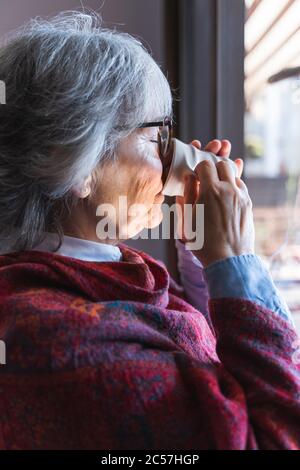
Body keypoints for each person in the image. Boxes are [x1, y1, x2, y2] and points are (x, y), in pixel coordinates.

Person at [0, 11, 299, 450]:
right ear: (78, 164)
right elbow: (277, 435)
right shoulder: (56, 342)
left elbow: (201, 355)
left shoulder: (94, 277)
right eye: (157, 136)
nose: (171, 156)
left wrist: (205, 257)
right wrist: (235, 260)